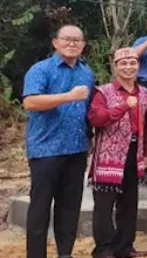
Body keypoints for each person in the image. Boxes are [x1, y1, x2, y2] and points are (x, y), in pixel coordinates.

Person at [22, 25, 96, 258]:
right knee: (40, 208)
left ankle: (65, 254)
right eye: (67, 39)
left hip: (77, 149)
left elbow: (90, 109)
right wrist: (68, 97)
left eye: (77, 40)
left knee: (70, 207)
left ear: (83, 45)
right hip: (46, 150)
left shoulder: (87, 72)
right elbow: (30, 102)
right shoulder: (40, 69)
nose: (72, 44)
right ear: (55, 42)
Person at [87, 48, 147, 258]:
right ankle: (104, 249)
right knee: (104, 206)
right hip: (109, 156)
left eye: (132, 62)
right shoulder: (103, 91)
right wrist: (123, 106)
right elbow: (96, 119)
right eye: (123, 63)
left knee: (129, 204)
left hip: (134, 152)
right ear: (115, 67)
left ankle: (125, 247)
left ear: (138, 65)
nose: (128, 67)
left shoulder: (144, 93)